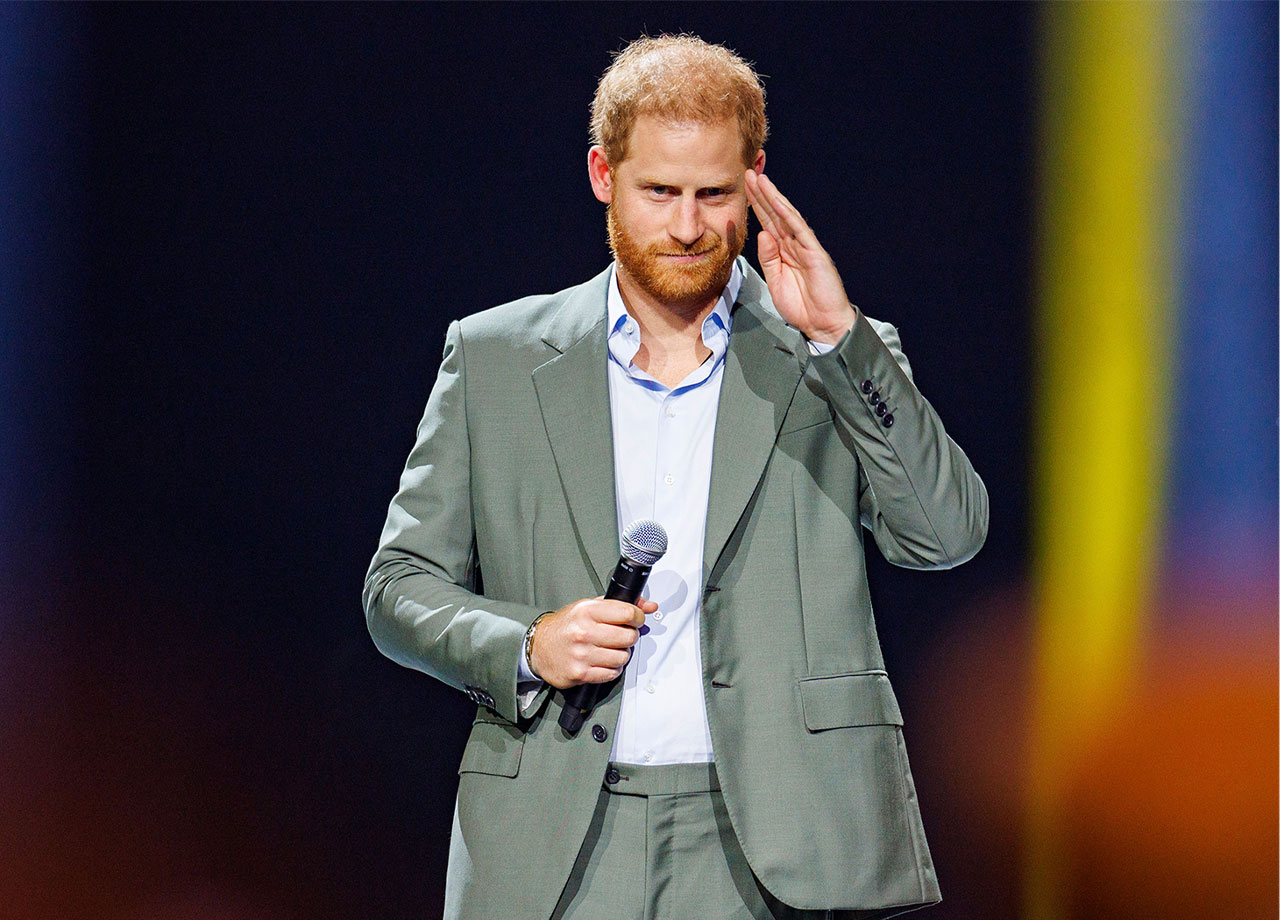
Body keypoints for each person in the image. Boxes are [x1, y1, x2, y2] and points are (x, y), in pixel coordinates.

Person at [364, 34, 987, 920]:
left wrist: (838, 336)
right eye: (659, 191)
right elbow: (397, 588)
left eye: (715, 194)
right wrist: (528, 643)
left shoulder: (834, 354)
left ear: (758, 181)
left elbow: (946, 535)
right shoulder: (495, 357)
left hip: (778, 839)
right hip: (558, 837)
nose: (689, 226)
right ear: (601, 174)